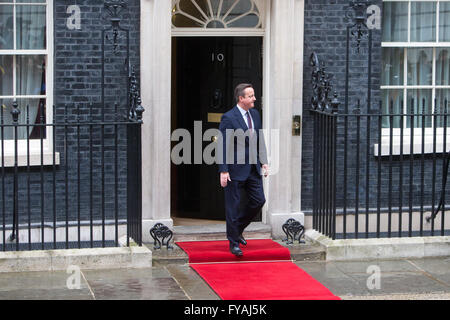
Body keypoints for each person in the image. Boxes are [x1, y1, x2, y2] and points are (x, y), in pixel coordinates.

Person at [218, 83, 269, 256]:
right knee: (233, 206)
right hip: (234, 169)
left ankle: (237, 228)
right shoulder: (229, 117)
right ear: (241, 98)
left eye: (254, 95)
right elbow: (223, 145)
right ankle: (234, 244)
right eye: (251, 96)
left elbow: (259, 138)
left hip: (253, 167)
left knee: (259, 200)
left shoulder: (255, 114)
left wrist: (264, 161)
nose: (254, 98)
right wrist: (223, 170)